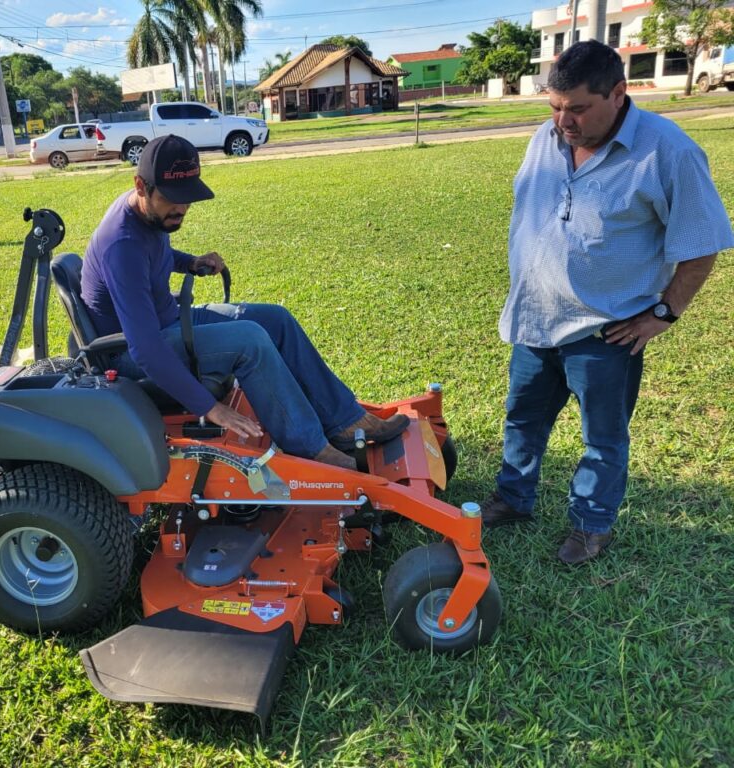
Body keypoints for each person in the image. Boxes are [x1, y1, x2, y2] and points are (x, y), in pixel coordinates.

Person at [482, 40, 733, 564]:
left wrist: (663, 314)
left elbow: (702, 242)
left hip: (603, 332)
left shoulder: (670, 152)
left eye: (577, 108)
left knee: (602, 438)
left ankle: (591, 524)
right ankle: (512, 498)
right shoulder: (545, 139)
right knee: (522, 421)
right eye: (554, 106)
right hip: (534, 321)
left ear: (618, 93)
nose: (563, 120)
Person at [81, 134, 408, 469]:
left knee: (275, 320)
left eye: (187, 199)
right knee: (249, 340)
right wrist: (212, 407)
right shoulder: (121, 245)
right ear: (140, 185)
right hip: (132, 352)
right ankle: (309, 450)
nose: (180, 209)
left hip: (167, 321)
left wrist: (188, 262)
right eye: (171, 199)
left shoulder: (147, 212)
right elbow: (146, 350)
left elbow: (154, 253)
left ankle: (345, 422)